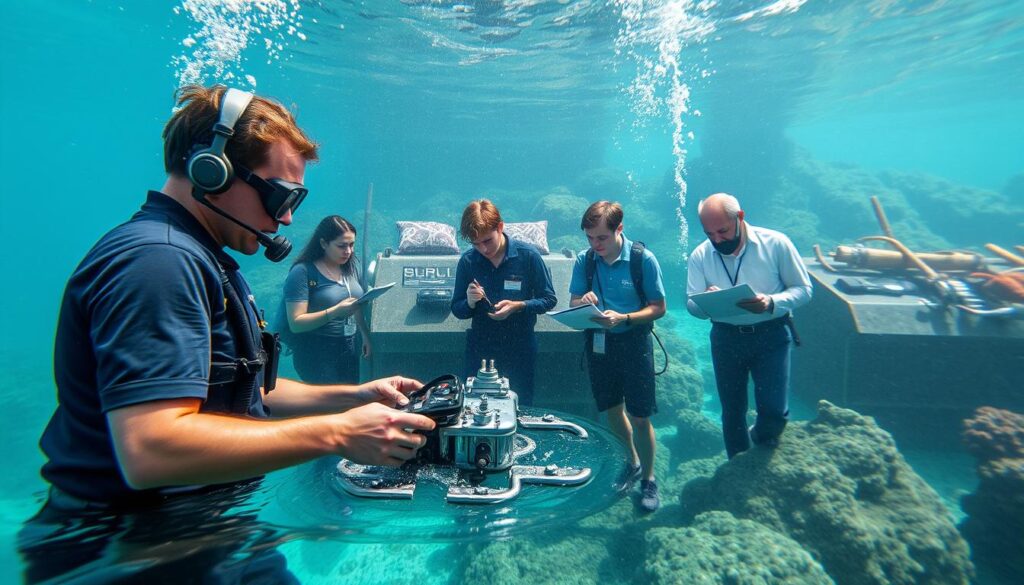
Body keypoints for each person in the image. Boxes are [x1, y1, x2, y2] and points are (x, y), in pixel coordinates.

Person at [21, 85, 435, 583]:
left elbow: (242, 392)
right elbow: (151, 447)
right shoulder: (159, 263)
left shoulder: (204, 261)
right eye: (280, 196)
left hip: (203, 529)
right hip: (123, 550)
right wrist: (337, 434)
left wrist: (352, 396)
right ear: (210, 169)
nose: (285, 218)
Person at [685, 192, 812, 459]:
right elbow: (692, 305)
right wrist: (706, 301)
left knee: (775, 410)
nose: (717, 240)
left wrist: (771, 302)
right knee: (732, 410)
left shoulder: (776, 243)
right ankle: (736, 464)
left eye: (722, 231)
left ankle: (762, 440)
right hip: (726, 338)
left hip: (772, 334)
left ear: (740, 217)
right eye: (710, 234)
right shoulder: (700, 255)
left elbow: (804, 289)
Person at [568, 201, 666, 512]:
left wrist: (624, 318)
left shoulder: (642, 260)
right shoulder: (585, 262)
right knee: (611, 410)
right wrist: (583, 301)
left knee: (640, 416)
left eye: (601, 238)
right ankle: (631, 462)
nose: (595, 245)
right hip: (599, 344)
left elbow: (658, 307)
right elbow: (572, 301)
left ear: (619, 229)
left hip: (634, 343)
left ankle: (649, 478)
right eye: (589, 238)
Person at [451, 199, 557, 406]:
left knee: (521, 405)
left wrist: (519, 306)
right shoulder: (468, 261)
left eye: (487, 241)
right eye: (475, 244)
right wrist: (470, 302)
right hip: (481, 347)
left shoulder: (528, 257)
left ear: (500, 227)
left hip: (520, 346)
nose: (483, 249)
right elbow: (457, 309)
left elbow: (549, 299)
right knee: (474, 406)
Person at [282, 215, 371, 384]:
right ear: (323, 244)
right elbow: (296, 323)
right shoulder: (302, 272)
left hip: (349, 347)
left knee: (349, 400)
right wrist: (335, 311)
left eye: (352, 245)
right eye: (342, 246)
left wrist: (365, 335)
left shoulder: (350, 267)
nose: (349, 251)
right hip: (316, 351)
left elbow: (355, 306)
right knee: (328, 405)